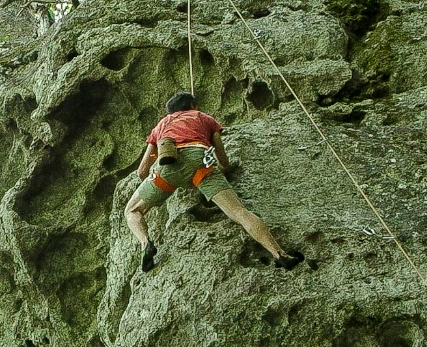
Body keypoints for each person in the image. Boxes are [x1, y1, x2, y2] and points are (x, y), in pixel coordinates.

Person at [126, 90, 304, 273]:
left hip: (168, 171)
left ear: (170, 111)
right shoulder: (204, 118)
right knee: (239, 212)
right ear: (193, 106)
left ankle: (145, 243)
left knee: (132, 210)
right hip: (200, 167)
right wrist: (222, 170)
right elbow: (223, 161)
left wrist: (157, 184)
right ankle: (279, 254)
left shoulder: (161, 125)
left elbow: (142, 171)